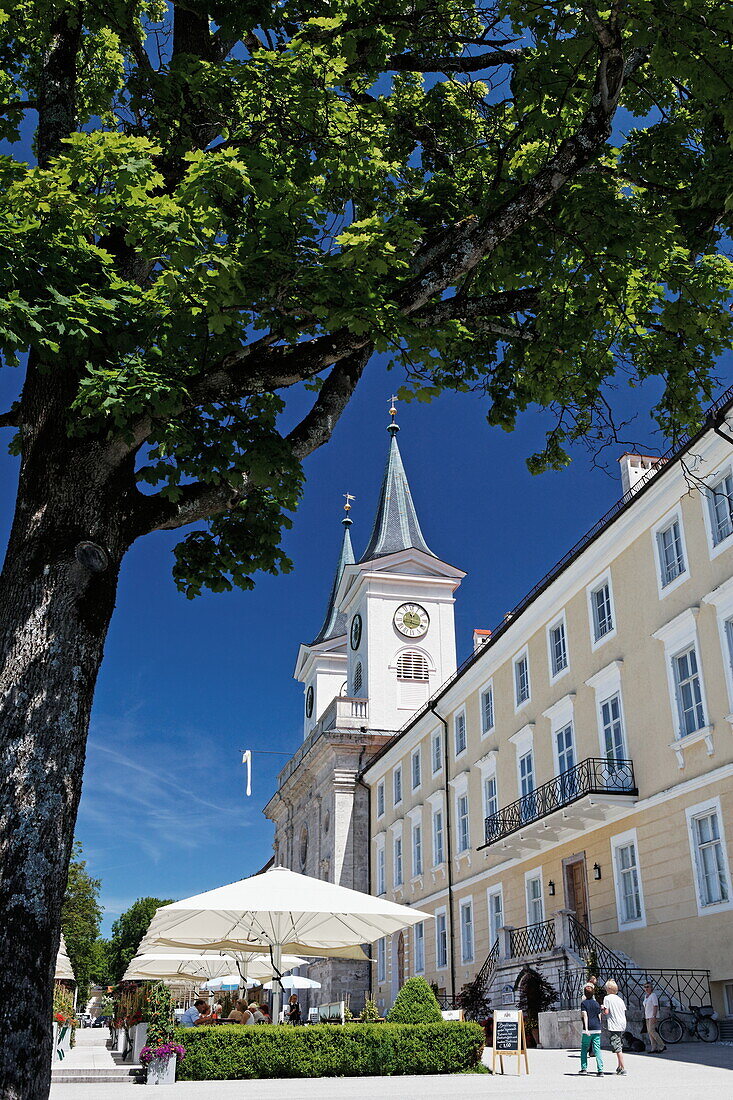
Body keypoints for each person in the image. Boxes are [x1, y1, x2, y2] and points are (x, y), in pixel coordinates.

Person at [601, 979, 627, 1075]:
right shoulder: (619, 999)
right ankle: (619, 1066)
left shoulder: (607, 998)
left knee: (617, 1047)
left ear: (608, 988)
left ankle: (623, 1067)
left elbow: (606, 1012)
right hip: (622, 1023)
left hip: (614, 1024)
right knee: (619, 1044)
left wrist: (603, 1009)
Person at [580, 982, 604, 1076]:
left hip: (588, 1028)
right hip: (597, 1028)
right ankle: (600, 1070)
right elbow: (599, 1016)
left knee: (584, 1048)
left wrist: (586, 1029)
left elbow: (585, 1016)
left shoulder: (584, 1003)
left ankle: (584, 1068)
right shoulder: (596, 1003)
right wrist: (599, 1025)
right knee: (597, 1049)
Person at [642, 982, 666, 1053]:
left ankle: (662, 1045)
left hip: (652, 1015)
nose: (646, 988)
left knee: (652, 1031)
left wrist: (654, 1016)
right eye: (645, 987)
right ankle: (653, 1047)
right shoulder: (646, 996)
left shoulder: (653, 995)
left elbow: (655, 1005)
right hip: (647, 1016)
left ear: (651, 988)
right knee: (649, 1032)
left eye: (648, 987)